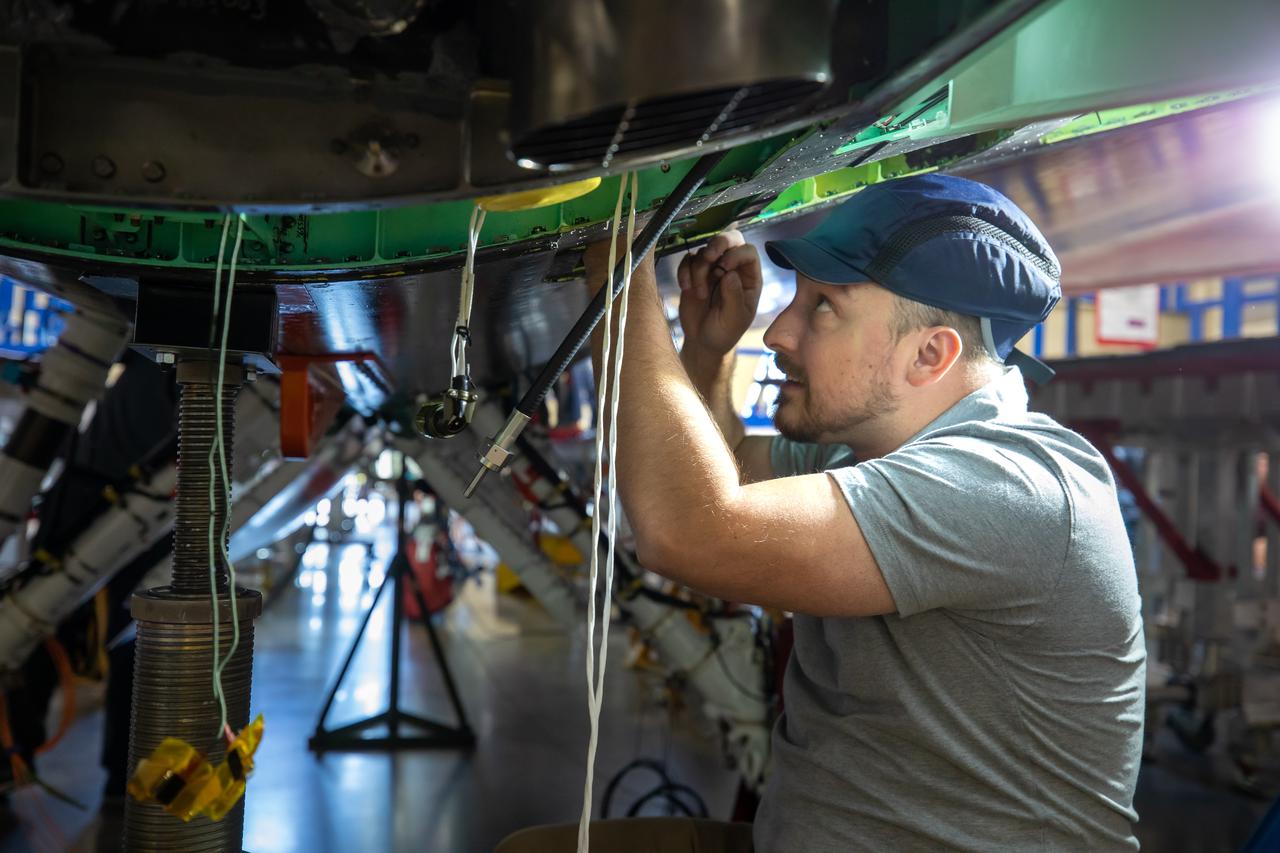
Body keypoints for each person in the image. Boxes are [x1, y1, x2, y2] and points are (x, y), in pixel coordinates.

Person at [497, 174, 1145, 852]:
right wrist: (710, 351)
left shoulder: (1013, 484)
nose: (778, 331)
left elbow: (688, 529)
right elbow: (729, 475)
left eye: (824, 307)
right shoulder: (869, 454)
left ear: (930, 354)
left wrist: (620, 264)